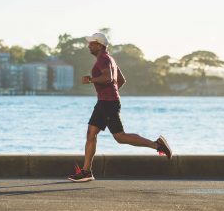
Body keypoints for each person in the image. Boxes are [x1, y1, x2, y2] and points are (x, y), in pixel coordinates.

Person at [68, 33, 172, 182]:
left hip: (107, 103)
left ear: (100, 45)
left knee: (120, 137)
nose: (89, 45)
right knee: (92, 134)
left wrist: (91, 79)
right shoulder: (109, 59)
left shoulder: (103, 59)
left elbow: (109, 78)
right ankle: (86, 171)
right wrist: (111, 93)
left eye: (92, 43)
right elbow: (121, 80)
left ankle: (157, 145)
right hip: (107, 102)